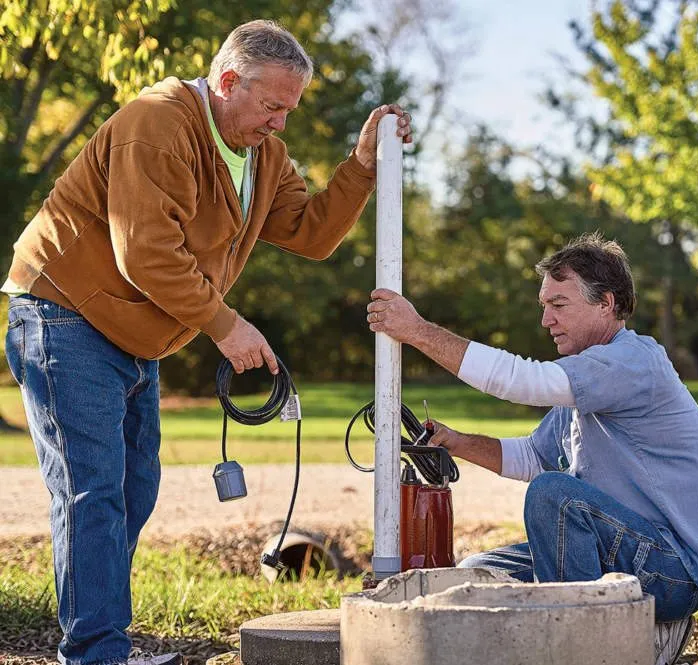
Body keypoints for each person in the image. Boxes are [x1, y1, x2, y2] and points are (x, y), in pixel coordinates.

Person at [4, 20, 412, 665]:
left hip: (133, 336)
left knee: (133, 490)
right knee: (93, 493)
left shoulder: (263, 157)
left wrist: (360, 167)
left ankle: (99, 643)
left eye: (289, 109)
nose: (279, 122)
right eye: (272, 106)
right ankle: (96, 654)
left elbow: (310, 233)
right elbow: (144, 250)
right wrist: (226, 325)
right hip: (64, 316)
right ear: (227, 82)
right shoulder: (157, 123)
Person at [367, 233, 698, 665]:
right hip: (623, 554)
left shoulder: (633, 361)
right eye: (544, 306)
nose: (546, 319)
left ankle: (596, 651)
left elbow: (525, 382)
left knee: (553, 496)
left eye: (558, 305)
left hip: (674, 572)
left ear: (607, 304)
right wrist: (457, 442)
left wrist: (417, 331)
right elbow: (532, 457)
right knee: (474, 574)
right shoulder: (585, 382)